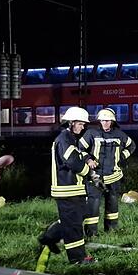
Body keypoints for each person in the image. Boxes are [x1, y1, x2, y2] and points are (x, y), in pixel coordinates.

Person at [38, 107, 98, 265]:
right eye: (80, 123)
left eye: (84, 124)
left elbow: (78, 156)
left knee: (75, 219)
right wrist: (88, 172)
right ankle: (78, 259)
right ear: (71, 123)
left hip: (73, 189)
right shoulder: (64, 138)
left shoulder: (70, 138)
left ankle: (48, 238)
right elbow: (71, 161)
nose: (83, 127)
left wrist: (88, 159)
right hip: (66, 189)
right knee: (73, 225)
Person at [79, 108, 136, 238]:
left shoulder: (120, 134)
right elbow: (80, 149)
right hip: (95, 177)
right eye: (103, 120)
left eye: (108, 121)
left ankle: (111, 230)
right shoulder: (91, 133)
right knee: (93, 204)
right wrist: (88, 159)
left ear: (112, 122)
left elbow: (132, 146)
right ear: (99, 121)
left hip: (114, 176)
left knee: (113, 203)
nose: (105, 123)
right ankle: (91, 233)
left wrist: (122, 156)